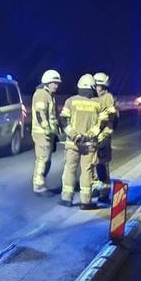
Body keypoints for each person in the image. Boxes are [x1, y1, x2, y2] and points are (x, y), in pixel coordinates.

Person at [59, 73, 103, 209]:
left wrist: (74, 135)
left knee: (70, 169)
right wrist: (88, 135)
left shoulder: (70, 101)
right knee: (87, 171)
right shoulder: (98, 104)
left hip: (73, 143)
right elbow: (100, 125)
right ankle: (85, 201)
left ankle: (66, 198)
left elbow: (63, 120)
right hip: (89, 145)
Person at [31, 69, 62, 193]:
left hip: (49, 134)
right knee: (43, 158)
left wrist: (58, 129)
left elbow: (54, 115)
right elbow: (40, 114)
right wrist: (47, 128)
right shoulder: (41, 94)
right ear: (47, 82)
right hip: (42, 133)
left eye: (57, 83)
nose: (56, 85)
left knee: (47, 160)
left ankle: (41, 180)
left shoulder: (50, 96)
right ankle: (38, 184)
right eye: (54, 83)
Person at [92, 71, 118, 203]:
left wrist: (103, 134)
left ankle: (105, 192)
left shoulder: (107, 98)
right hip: (95, 137)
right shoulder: (96, 98)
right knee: (94, 164)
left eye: (97, 86)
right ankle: (98, 188)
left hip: (103, 137)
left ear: (103, 86)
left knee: (102, 165)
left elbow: (111, 119)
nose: (95, 88)